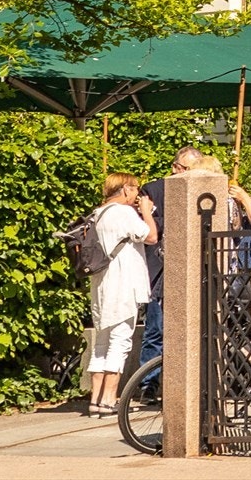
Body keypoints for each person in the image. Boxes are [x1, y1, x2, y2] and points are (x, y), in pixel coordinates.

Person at [86, 172, 156, 416]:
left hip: (102, 285)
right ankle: (109, 399)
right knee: (121, 341)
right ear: (125, 189)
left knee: (102, 342)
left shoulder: (98, 213)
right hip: (124, 283)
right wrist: (146, 211)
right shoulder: (124, 213)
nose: (137, 194)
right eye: (135, 189)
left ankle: (95, 400)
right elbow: (151, 236)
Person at [136, 146, 203, 398]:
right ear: (175, 168)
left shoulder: (200, 188)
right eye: (187, 169)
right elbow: (148, 226)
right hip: (159, 267)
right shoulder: (153, 190)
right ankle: (148, 385)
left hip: (192, 269)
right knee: (156, 327)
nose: (191, 175)